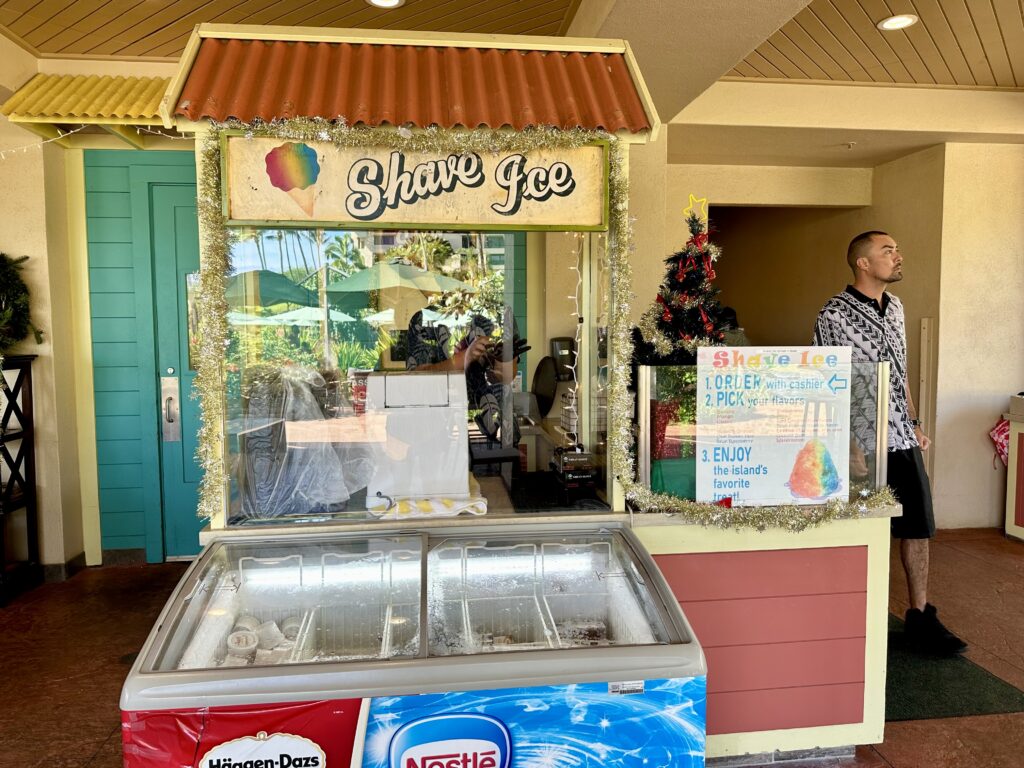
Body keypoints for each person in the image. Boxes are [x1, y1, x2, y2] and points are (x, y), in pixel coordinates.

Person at [813, 230, 966, 656]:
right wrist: (845, 444)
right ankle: (848, 618)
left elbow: (900, 371)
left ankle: (920, 616)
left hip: (900, 435)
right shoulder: (834, 314)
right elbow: (829, 379)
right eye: (888, 251)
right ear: (863, 262)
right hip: (859, 441)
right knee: (859, 528)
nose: (898, 256)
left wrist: (914, 422)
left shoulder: (896, 308)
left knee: (918, 526)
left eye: (897, 249)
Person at [406, 309, 529, 444]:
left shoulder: (499, 311)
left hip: (498, 439)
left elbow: (505, 378)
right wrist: (465, 357)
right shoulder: (425, 318)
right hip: (441, 436)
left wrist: (502, 359)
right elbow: (416, 377)